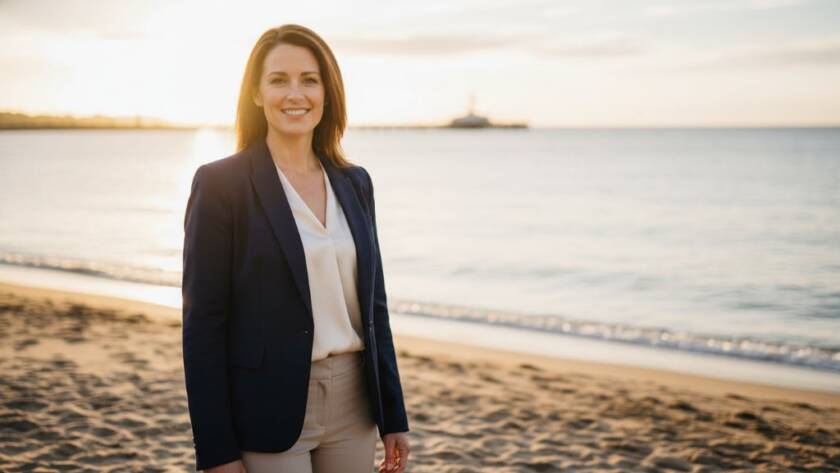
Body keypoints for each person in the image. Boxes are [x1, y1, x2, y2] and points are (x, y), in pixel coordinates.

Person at [181, 24, 411, 473]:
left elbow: (375, 307)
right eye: (278, 80)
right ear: (256, 93)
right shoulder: (221, 184)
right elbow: (203, 326)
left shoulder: (355, 182)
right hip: (267, 403)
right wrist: (216, 451)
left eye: (309, 80)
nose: (295, 94)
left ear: (327, 93)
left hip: (355, 404)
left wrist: (393, 414)